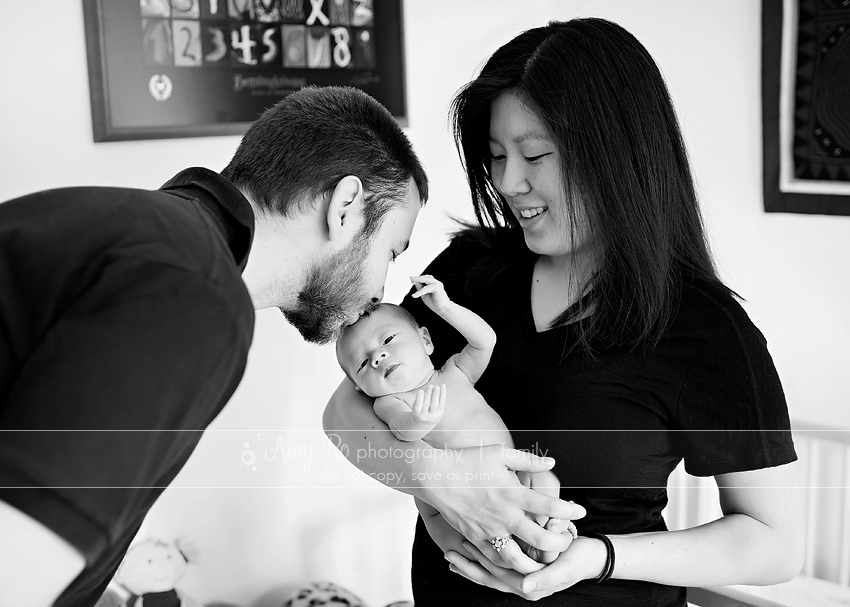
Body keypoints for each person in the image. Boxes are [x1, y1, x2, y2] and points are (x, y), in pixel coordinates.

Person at [324, 18, 805, 606]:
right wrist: (439, 480)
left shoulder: (702, 327)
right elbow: (346, 411)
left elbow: (773, 544)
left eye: (534, 154)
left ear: (615, 155)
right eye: (497, 155)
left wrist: (598, 558)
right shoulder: (468, 273)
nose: (508, 181)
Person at [0, 85, 428, 607]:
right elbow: (15, 568)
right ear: (345, 207)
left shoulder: (146, 233)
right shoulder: (194, 292)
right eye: (390, 250)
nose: (380, 292)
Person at [334, 275, 577, 564]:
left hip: (508, 475)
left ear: (425, 340)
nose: (378, 356)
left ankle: (551, 528)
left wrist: (446, 307)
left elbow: (485, 341)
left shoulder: (456, 373)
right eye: (363, 363)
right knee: (476, 546)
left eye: (387, 339)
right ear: (361, 388)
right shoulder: (391, 402)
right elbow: (402, 428)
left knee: (543, 476)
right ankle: (535, 549)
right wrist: (419, 421)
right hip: (450, 506)